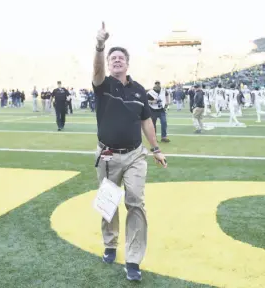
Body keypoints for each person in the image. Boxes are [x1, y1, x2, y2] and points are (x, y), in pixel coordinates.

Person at [92, 22, 167, 282]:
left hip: (135, 154)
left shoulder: (138, 90)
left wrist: (156, 148)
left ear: (127, 63)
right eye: (112, 58)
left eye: (120, 57)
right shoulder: (102, 85)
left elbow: (147, 120)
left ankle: (133, 259)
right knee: (108, 203)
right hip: (108, 155)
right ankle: (110, 243)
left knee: (136, 202)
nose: (116, 60)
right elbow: (97, 69)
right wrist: (100, 46)